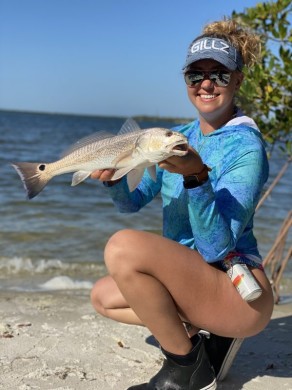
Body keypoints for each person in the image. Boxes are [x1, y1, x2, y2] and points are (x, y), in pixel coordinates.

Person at [90, 18, 274, 390]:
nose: (206, 84)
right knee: (103, 297)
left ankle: (185, 366)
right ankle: (208, 344)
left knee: (123, 247)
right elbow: (133, 203)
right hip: (190, 281)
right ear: (186, 80)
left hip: (236, 289)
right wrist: (114, 180)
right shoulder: (177, 137)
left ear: (237, 80)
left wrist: (196, 177)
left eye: (219, 75)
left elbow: (216, 247)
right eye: (195, 75)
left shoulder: (246, 147)